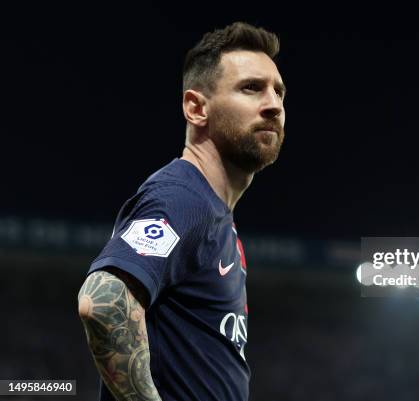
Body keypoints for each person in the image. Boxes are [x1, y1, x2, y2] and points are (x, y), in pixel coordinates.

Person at [77, 21, 286, 401]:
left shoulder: (214, 213)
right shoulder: (183, 198)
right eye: (251, 88)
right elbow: (103, 303)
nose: (273, 104)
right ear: (196, 108)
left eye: (279, 92)